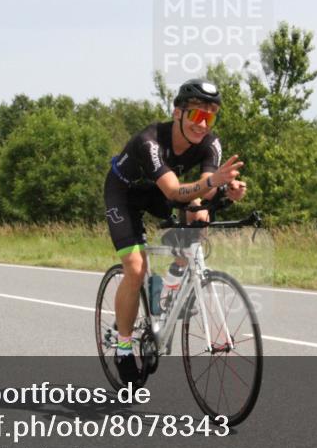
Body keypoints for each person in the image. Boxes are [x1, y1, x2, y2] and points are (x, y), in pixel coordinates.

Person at [103, 78, 247, 383]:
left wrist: (226, 190)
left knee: (201, 214)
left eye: (209, 117)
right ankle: (124, 346)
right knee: (136, 267)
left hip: (160, 193)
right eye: (196, 115)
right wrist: (212, 183)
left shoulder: (211, 144)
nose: (202, 124)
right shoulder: (150, 142)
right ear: (178, 113)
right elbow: (172, 191)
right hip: (125, 194)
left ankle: (168, 288)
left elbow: (205, 190)